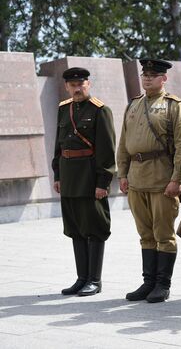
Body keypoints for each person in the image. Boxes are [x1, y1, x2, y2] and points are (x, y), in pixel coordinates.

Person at [117, 59, 181, 303]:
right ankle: (148, 282)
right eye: (144, 74)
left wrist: (177, 179)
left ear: (164, 79)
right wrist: (123, 174)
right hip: (137, 179)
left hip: (162, 179)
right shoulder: (134, 105)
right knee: (145, 233)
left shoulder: (174, 106)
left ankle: (162, 284)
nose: (147, 78)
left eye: (153, 75)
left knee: (163, 234)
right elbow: (123, 144)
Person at [52, 67, 116, 297]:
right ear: (67, 87)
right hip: (69, 177)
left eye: (81, 84)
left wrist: (103, 182)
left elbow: (107, 150)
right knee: (76, 229)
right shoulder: (63, 109)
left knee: (95, 228)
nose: (77, 88)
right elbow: (59, 146)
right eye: (72, 85)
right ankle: (81, 278)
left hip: (90, 177)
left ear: (88, 84)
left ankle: (94, 280)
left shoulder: (100, 110)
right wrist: (58, 175)